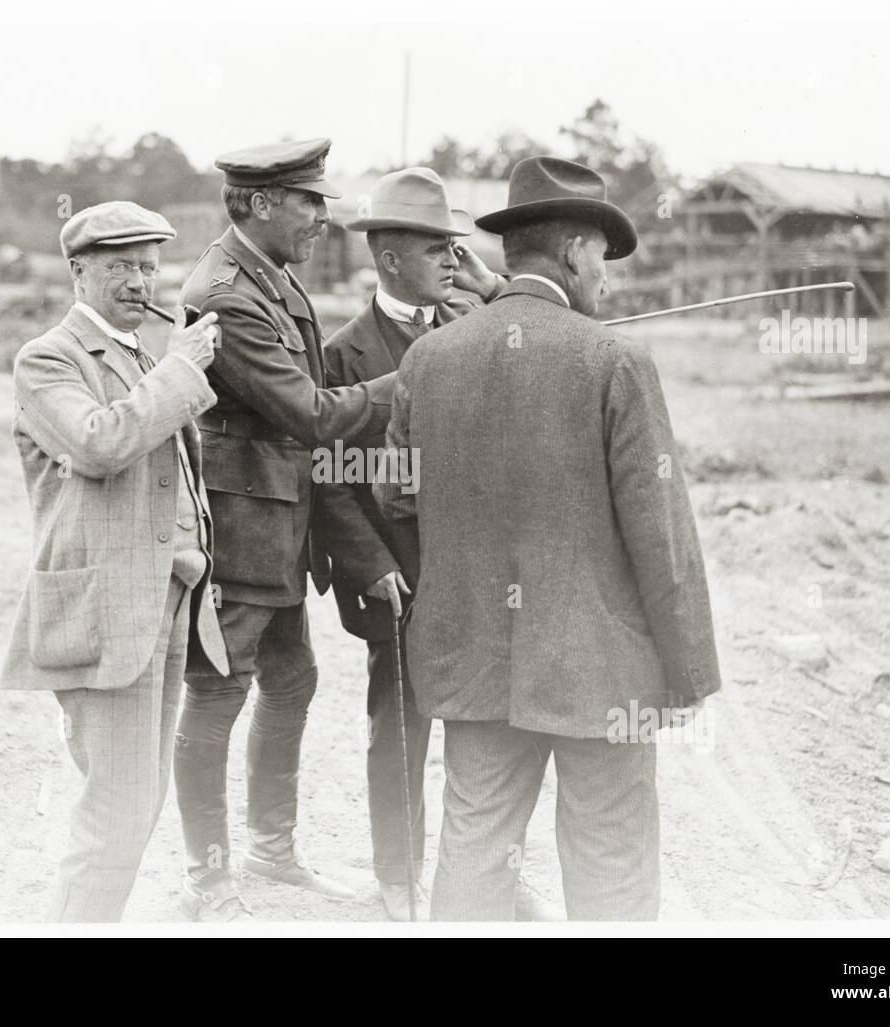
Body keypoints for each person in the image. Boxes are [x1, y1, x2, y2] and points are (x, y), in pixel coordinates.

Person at [374, 157, 722, 920]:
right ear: (572, 250)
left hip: (472, 662)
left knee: (473, 851)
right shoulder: (616, 362)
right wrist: (690, 670)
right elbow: (661, 536)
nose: (608, 275)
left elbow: (394, 494)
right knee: (610, 864)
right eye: (602, 253)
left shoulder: (427, 359)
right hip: (601, 673)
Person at [318, 166, 563, 921]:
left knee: (487, 730)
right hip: (394, 578)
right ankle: (399, 872)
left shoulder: (475, 331)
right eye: (436, 251)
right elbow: (327, 475)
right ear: (390, 257)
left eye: (457, 249)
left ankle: (490, 869)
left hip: (476, 573)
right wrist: (373, 565)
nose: (452, 262)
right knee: (399, 728)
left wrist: (495, 292)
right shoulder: (343, 355)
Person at [173, 139, 397, 921]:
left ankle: (271, 849)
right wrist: (413, 376)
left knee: (291, 678)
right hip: (240, 531)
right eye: (310, 201)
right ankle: (207, 876)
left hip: (279, 527)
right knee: (216, 692)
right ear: (262, 203)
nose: (323, 218)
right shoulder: (227, 294)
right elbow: (309, 411)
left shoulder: (272, 279)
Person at [0, 201, 226, 921]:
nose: (140, 281)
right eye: (122, 266)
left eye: (150, 267)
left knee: (138, 800)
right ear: (78, 271)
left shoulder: (142, 354)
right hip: (104, 612)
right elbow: (99, 443)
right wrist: (184, 370)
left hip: (160, 604)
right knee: (119, 806)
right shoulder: (48, 358)